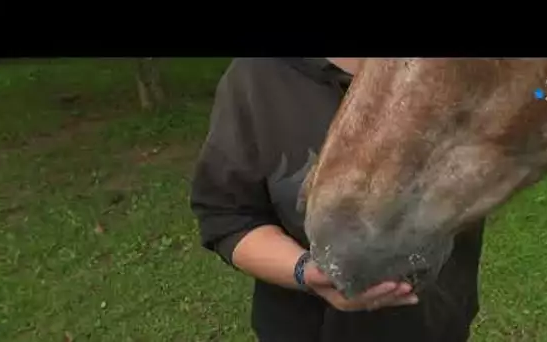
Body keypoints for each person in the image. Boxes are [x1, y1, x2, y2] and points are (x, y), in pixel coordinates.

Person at [190, 58, 486, 342]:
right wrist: (304, 271)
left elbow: (529, 104)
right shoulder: (259, 75)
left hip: (438, 327)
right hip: (307, 332)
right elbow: (228, 217)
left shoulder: (457, 67)